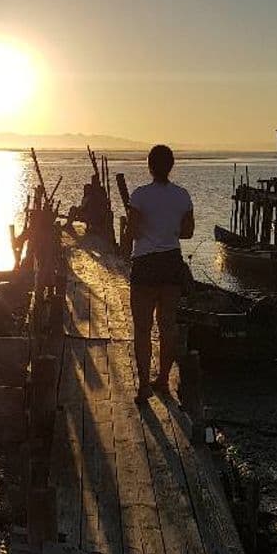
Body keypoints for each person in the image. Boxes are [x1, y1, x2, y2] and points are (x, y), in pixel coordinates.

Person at [127, 144, 194, 406]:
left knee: (142, 329)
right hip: (170, 264)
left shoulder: (140, 196)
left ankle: (144, 386)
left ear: (149, 165)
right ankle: (164, 379)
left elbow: (131, 232)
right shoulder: (182, 196)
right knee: (168, 326)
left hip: (144, 264)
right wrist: (169, 229)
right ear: (172, 165)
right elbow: (188, 232)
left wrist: (145, 230)